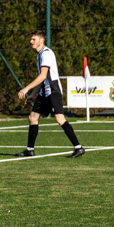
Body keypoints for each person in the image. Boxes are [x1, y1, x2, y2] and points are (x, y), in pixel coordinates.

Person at [16, 29, 85, 158]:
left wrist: (26, 89)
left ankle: (78, 148)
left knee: (60, 119)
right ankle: (29, 150)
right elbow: (42, 79)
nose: (31, 41)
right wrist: (33, 94)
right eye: (31, 39)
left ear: (41, 40)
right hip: (44, 92)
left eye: (34, 39)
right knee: (33, 117)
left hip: (53, 91)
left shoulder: (46, 53)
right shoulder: (39, 55)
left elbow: (43, 76)